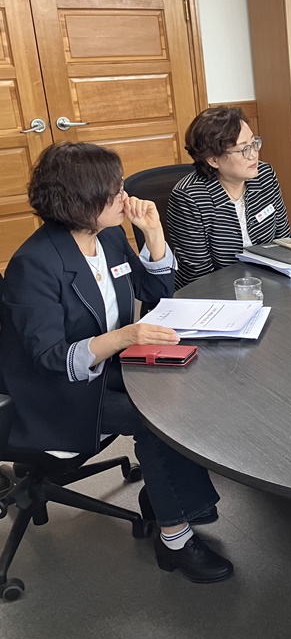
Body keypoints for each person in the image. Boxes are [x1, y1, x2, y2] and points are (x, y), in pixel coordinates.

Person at [0, 141, 233, 583]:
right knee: (154, 417)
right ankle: (175, 538)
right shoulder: (35, 264)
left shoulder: (106, 236)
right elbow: (51, 359)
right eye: (115, 189)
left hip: (107, 367)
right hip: (54, 391)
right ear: (81, 200)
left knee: (186, 385)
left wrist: (154, 234)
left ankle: (170, 500)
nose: (125, 196)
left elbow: (156, 293)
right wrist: (126, 335)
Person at [167, 105, 291, 289]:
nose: (254, 154)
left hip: (269, 285)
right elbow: (199, 276)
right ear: (213, 160)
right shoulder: (189, 197)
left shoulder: (265, 176)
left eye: (254, 143)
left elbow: (285, 241)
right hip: (214, 294)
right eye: (243, 149)